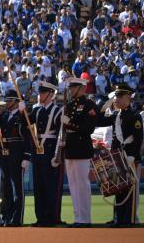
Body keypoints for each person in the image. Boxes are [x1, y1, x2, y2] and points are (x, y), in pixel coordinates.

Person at [97, 84, 143, 227]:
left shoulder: (135, 115)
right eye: (115, 96)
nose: (115, 99)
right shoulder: (116, 114)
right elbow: (100, 120)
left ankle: (128, 219)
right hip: (117, 157)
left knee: (130, 190)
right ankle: (118, 218)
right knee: (118, 188)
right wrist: (109, 102)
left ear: (127, 98)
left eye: (118, 97)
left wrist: (133, 156)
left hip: (130, 157)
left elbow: (138, 138)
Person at [59, 77, 98, 228]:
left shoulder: (89, 105)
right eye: (70, 87)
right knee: (73, 185)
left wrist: (70, 124)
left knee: (82, 184)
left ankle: (85, 218)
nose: (71, 90)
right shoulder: (68, 105)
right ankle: (78, 217)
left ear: (82, 88)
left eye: (74, 87)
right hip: (70, 148)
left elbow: (89, 129)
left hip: (82, 148)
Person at [28, 81, 63, 227]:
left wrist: (57, 155)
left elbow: (61, 135)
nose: (39, 95)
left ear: (50, 94)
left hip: (50, 151)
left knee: (50, 186)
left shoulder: (57, 111)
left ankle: (51, 217)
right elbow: (25, 122)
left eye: (42, 93)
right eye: (39, 92)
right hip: (38, 152)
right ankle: (40, 217)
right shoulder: (37, 110)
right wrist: (22, 111)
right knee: (39, 187)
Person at [0, 90, 32, 227]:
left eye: (10, 100)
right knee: (6, 188)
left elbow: (27, 137)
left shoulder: (22, 116)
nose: (7, 103)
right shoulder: (4, 116)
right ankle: (7, 216)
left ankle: (17, 218)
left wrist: (26, 156)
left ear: (17, 102)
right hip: (4, 154)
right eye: (7, 100)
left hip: (17, 155)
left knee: (17, 187)